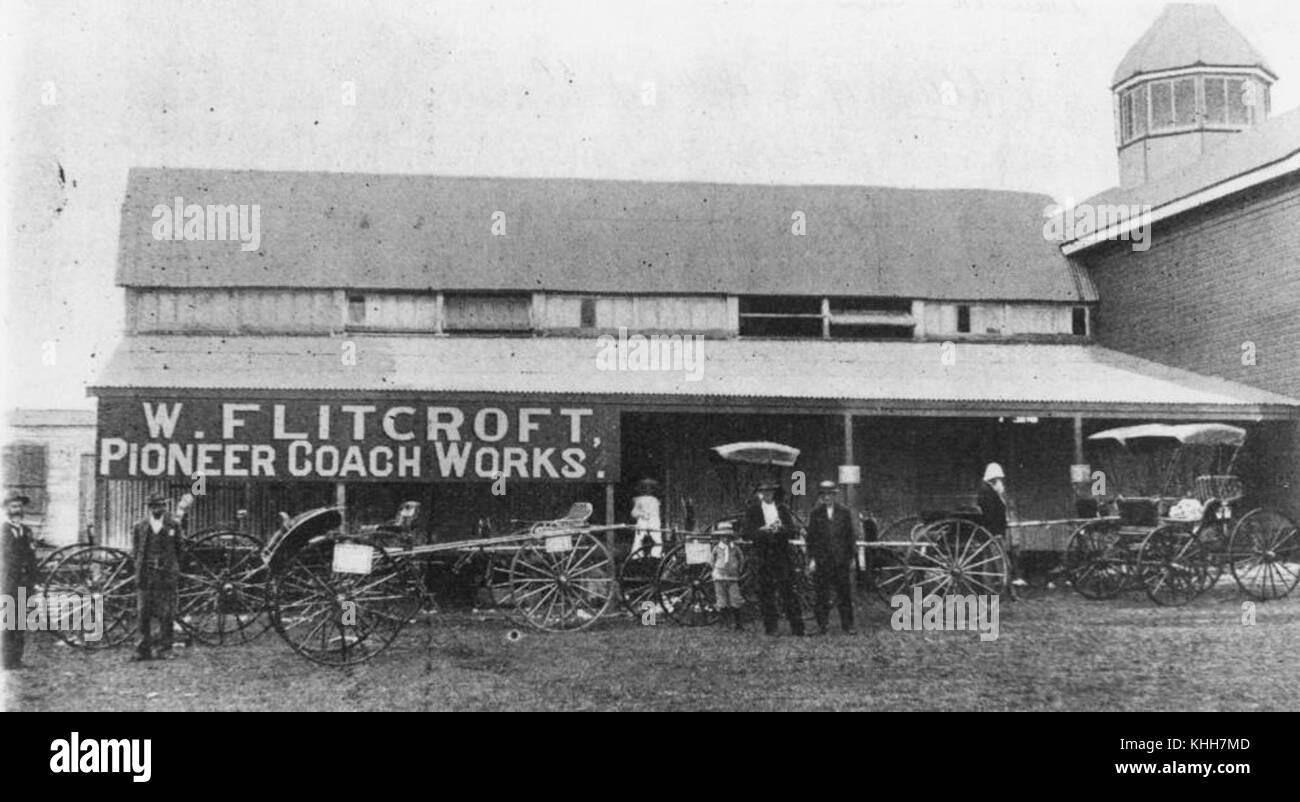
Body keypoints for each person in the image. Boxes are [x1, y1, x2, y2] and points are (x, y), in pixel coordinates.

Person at [741, 480, 804, 636]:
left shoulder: (782, 509)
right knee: (766, 592)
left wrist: (781, 529)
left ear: (774, 493)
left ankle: (797, 627)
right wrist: (762, 530)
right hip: (763, 555)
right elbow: (746, 533)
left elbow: (792, 530)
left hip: (781, 554)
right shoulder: (753, 510)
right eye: (764, 492)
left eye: (770, 492)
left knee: (788, 590)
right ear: (759, 494)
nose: (767, 495)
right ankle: (771, 628)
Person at [131, 494, 181, 661]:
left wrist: (172, 569)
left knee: (166, 613)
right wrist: (140, 571)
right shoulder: (139, 527)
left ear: (165, 507)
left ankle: (165, 649)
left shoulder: (173, 525)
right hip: (146, 575)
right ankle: (142, 649)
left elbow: (180, 550)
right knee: (143, 612)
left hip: (166, 575)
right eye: (155, 506)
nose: (158, 509)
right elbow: (136, 552)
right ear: (149, 508)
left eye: (161, 506)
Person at [805, 480, 857, 634]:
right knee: (821, 594)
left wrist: (852, 558)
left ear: (835, 495)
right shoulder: (816, 514)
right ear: (821, 497)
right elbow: (811, 538)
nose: (827, 498)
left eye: (830, 494)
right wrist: (812, 559)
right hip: (822, 560)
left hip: (841, 560)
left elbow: (850, 537)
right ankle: (821, 625)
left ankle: (848, 626)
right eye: (824, 495)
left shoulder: (844, 512)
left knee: (844, 593)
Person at [2, 492, 39, 670]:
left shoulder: (27, 531)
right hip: (8, 583)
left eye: (19, 506)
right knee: (9, 621)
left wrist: (33, 579)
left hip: (25, 583)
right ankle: (7, 661)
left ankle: (17, 659)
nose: (18, 510)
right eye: (14, 507)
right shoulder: (3, 531)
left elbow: (32, 557)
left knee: (21, 621)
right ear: (7, 509)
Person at [977, 463, 1024, 595]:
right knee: (1001, 562)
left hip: (990, 533)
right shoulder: (988, 492)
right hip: (993, 533)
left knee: (989, 564)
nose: (1001, 481)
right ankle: (1010, 591)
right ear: (994, 478)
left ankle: (989, 589)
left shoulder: (988, 489)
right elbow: (991, 514)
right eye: (999, 479)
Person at [710, 525, 745, 630]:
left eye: (728, 537)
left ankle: (738, 624)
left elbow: (741, 559)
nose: (726, 539)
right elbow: (712, 560)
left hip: (732, 577)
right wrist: (715, 570)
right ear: (720, 537)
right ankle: (724, 624)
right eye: (723, 537)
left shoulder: (735, 548)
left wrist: (738, 569)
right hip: (719, 577)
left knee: (735, 599)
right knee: (721, 599)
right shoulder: (717, 548)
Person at [630, 478, 663, 558]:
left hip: (654, 520)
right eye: (646, 487)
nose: (648, 489)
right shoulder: (639, 500)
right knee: (639, 539)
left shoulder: (655, 500)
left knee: (657, 539)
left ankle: (655, 555)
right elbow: (634, 513)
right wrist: (641, 514)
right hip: (643, 521)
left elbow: (658, 513)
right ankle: (637, 556)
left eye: (650, 488)